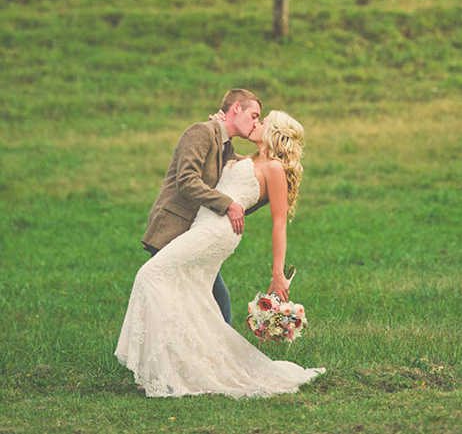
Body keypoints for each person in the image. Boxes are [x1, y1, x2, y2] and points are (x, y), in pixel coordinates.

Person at [115, 110, 325, 398]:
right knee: (192, 294)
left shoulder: (274, 168)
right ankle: (182, 366)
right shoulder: (248, 160)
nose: (257, 124)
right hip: (202, 225)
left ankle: (163, 368)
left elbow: (279, 225)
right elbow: (218, 163)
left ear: (274, 133)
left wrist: (278, 275)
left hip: (218, 232)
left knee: (150, 275)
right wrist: (220, 128)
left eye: (262, 121)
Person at [140, 88, 262, 325]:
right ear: (236, 108)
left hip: (196, 234)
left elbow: (237, 184)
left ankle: (215, 357)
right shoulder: (200, 132)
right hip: (173, 229)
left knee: (215, 300)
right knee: (174, 303)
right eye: (255, 115)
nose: (256, 122)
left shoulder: (226, 146)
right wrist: (228, 205)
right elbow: (187, 181)